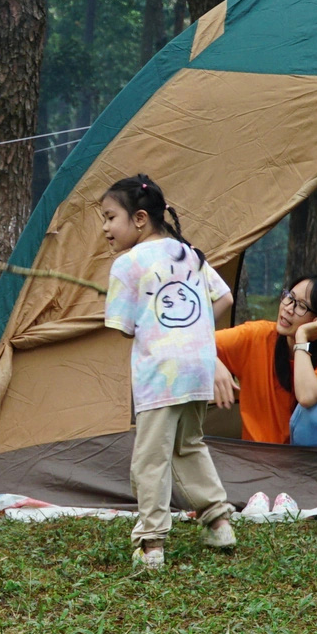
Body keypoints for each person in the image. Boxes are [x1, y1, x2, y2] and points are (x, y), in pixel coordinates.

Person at [100, 174, 238, 569]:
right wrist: (194, 332)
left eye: (110, 217)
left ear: (140, 218)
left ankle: (151, 544)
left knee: (151, 457)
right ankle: (219, 522)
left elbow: (125, 327)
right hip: (197, 369)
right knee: (189, 445)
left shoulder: (126, 263)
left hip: (160, 374)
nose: (106, 228)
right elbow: (224, 297)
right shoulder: (187, 252)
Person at [213, 275, 317, 446]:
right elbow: (187, 342)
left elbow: (306, 396)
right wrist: (211, 361)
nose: (288, 308)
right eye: (290, 297)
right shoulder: (256, 336)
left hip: (306, 467)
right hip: (256, 464)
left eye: (301, 306)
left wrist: (302, 339)